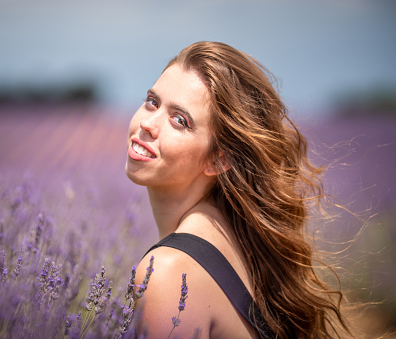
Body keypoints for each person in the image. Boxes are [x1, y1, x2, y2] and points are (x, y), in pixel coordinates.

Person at [125, 41, 351, 339]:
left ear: (218, 159)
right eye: (152, 102)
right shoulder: (232, 232)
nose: (148, 123)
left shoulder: (168, 273)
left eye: (180, 121)